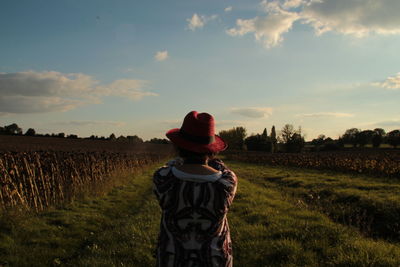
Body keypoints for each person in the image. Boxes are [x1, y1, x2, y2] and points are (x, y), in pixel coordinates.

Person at [153, 111, 238, 267]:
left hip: (172, 259)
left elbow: (170, 166)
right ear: (211, 149)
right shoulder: (227, 183)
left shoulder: (163, 179)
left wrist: (179, 161)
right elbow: (222, 168)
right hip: (215, 260)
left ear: (178, 146)